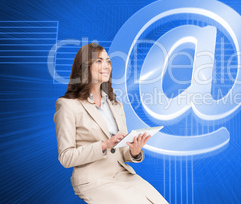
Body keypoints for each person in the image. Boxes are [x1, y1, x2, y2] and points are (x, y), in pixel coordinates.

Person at [54, 43, 168, 204]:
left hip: (124, 175)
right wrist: (103, 145)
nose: (106, 66)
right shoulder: (67, 105)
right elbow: (66, 157)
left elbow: (122, 151)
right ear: (84, 68)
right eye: (99, 61)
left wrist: (134, 151)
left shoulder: (115, 105)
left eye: (108, 61)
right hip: (94, 180)